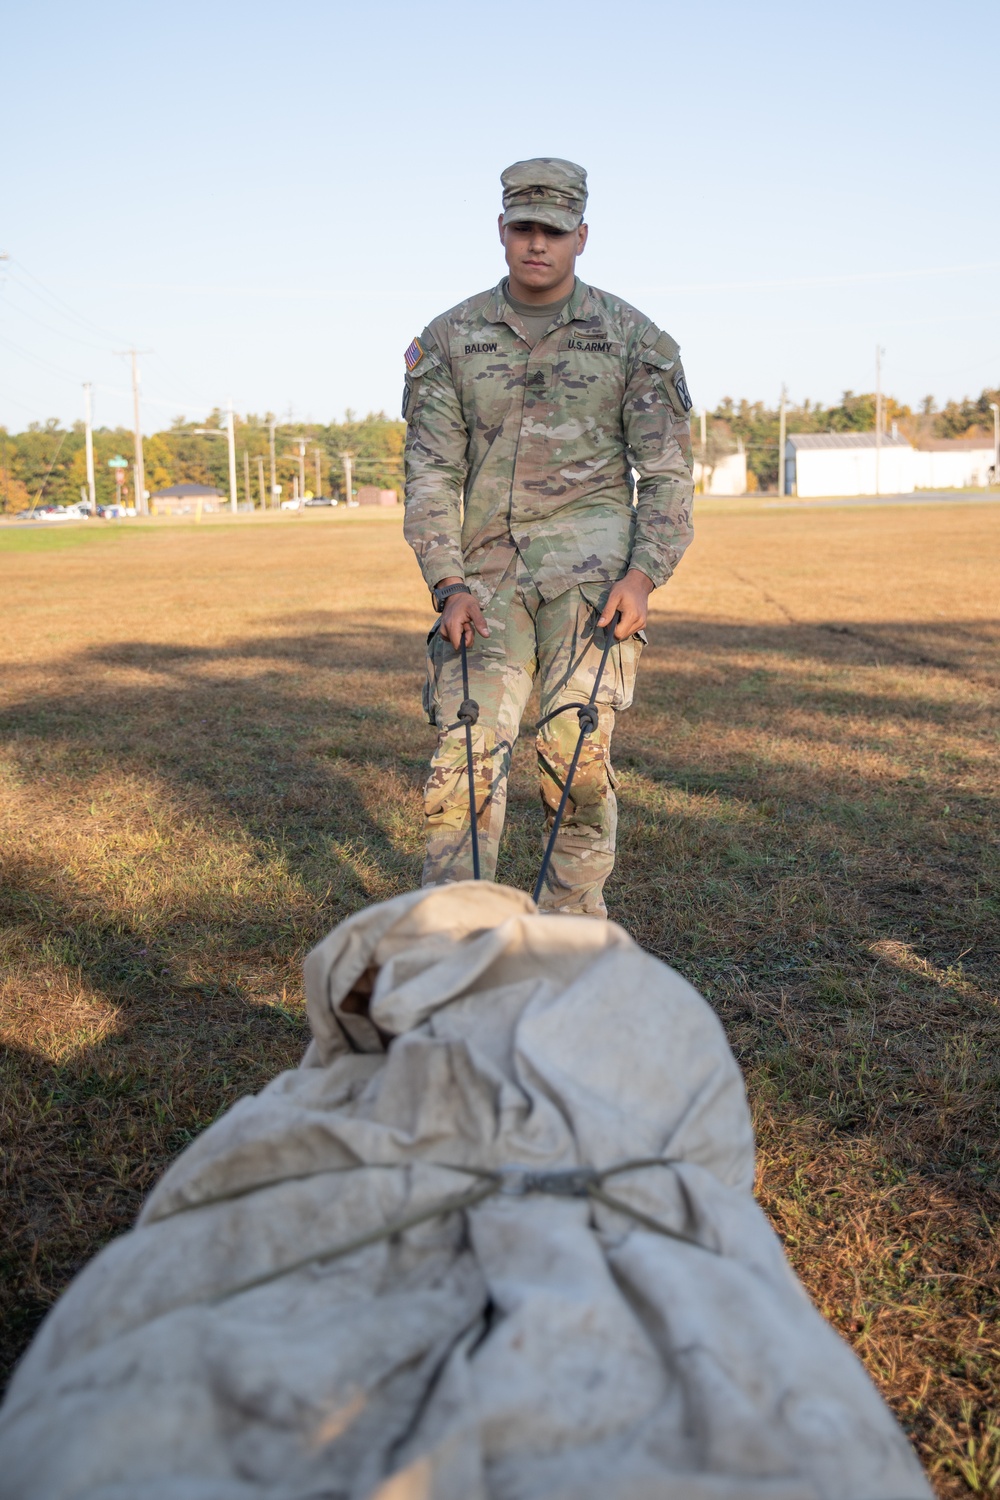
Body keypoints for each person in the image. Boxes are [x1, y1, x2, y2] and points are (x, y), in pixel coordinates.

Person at [402, 157, 694, 917]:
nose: (539, 244)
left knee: (578, 757)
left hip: (592, 583)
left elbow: (665, 474)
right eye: (525, 228)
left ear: (582, 236)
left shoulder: (635, 340)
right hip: (484, 582)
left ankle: (571, 934)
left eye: (555, 231)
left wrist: (645, 576)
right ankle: (457, 944)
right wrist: (447, 583)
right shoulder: (450, 340)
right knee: (467, 755)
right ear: (501, 232)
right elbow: (431, 474)